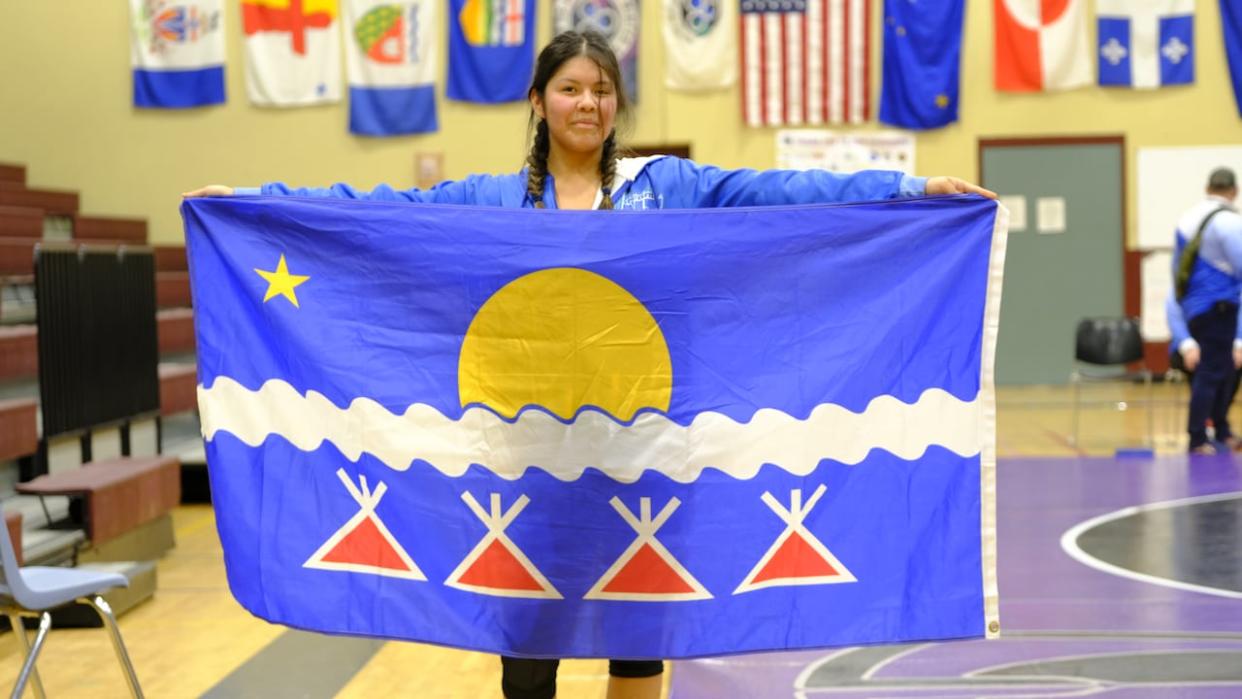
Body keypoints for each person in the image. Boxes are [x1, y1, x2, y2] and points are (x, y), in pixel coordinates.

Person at [186, 28, 996, 699]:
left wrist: (909, 187)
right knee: (528, 658)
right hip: (522, 470)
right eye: (571, 88)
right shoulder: (493, 202)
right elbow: (378, 214)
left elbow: (776, 190)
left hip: (641, 461)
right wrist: (251, 206)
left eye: (603, 90)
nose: (589, 103)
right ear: (538, 101)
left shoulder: (665, 186)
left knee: (637, 642)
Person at [1165, 167, 1242, 454]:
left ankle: (1220, 430)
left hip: (1195, 308)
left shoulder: (1187, 219)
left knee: (1220, 371)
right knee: (1213, 373)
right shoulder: (1229, 223)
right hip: (1218, 307)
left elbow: (1178, 273)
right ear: (1233, 192)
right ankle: (1198, 437)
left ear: (1208, 188)